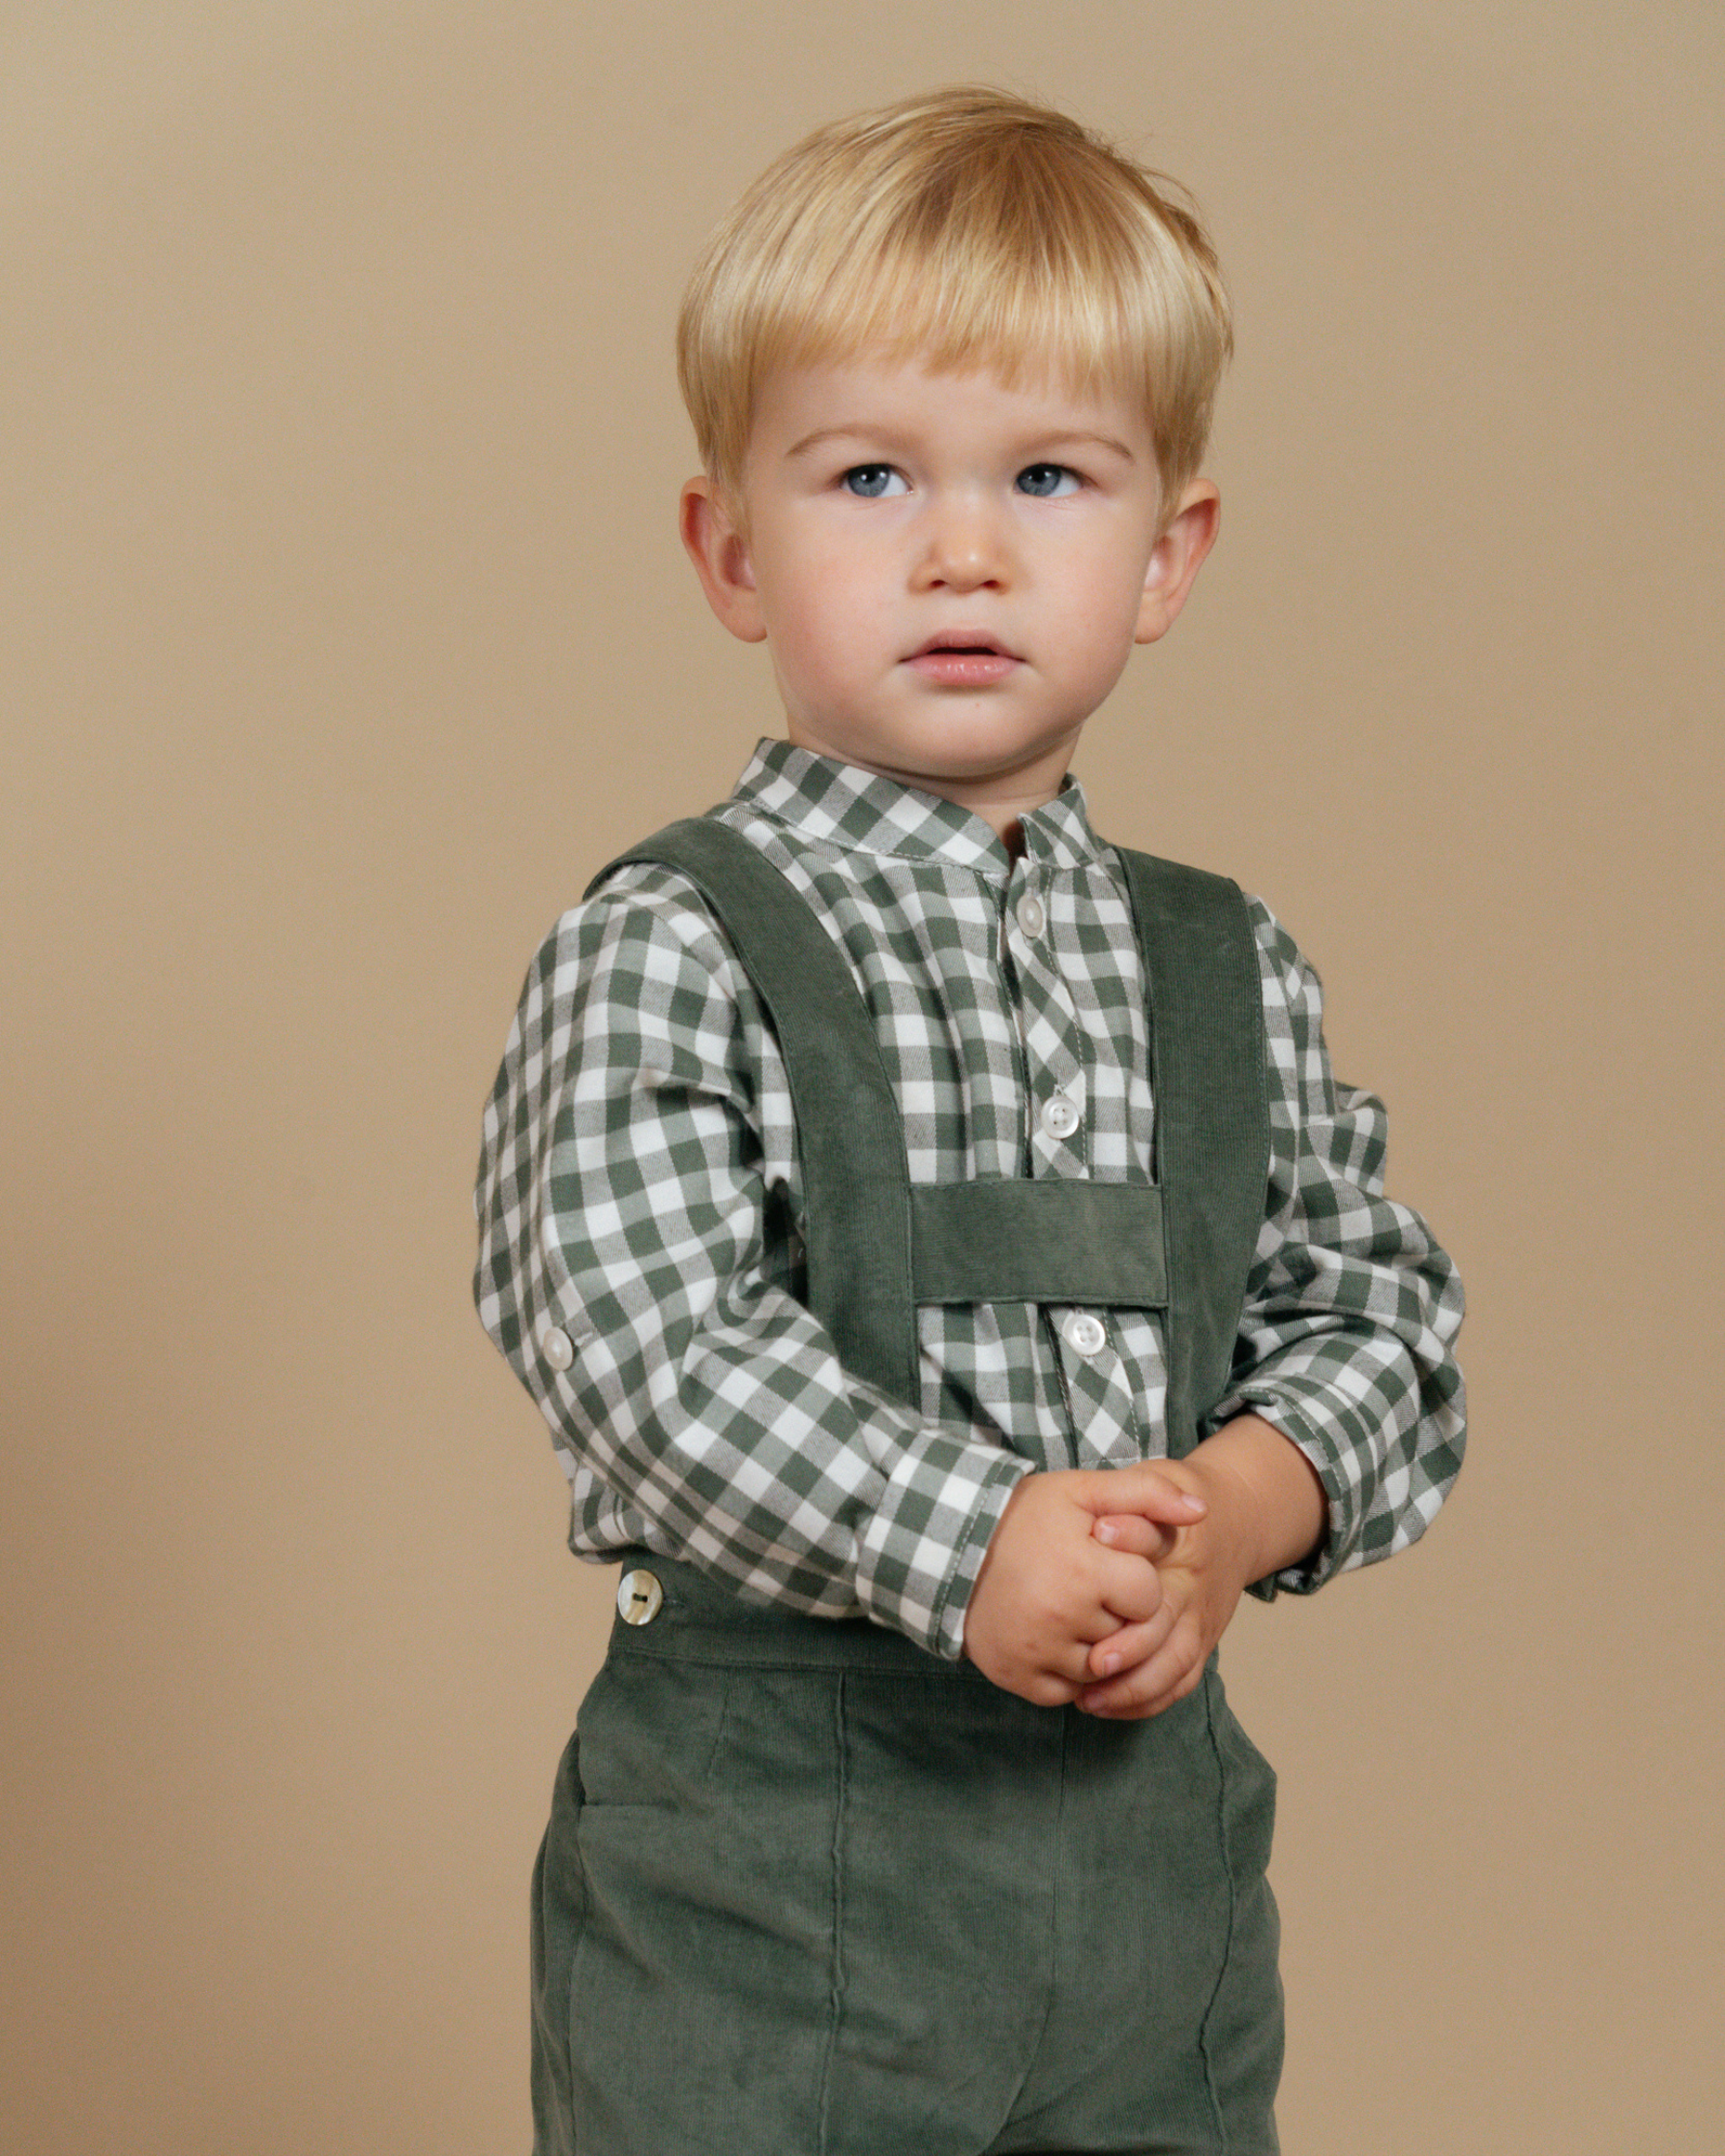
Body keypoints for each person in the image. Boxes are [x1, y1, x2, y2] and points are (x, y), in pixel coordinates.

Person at [473, 85, 1465, 2156]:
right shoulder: (675, 939)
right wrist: (979, 1538)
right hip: (769, 1908)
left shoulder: (1221, 963)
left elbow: (1378, 1317)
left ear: (1167, 553)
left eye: (1048, 475)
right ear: (731, 551)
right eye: (867, 476)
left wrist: (1239, 1510)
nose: (963, 549)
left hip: (1150, 1919)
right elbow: (640, 1346)